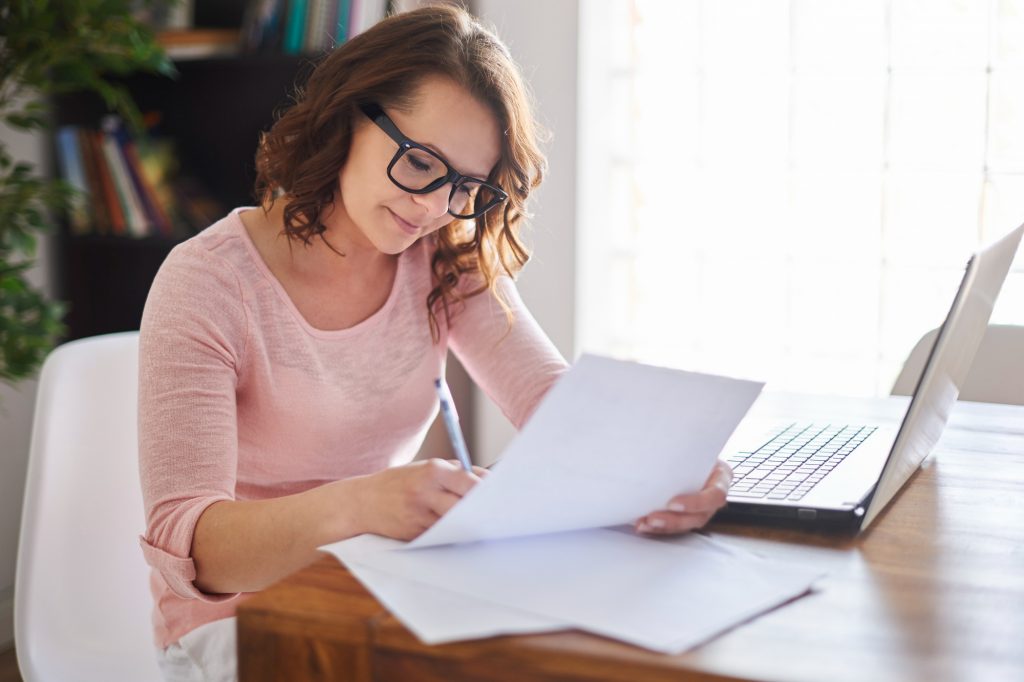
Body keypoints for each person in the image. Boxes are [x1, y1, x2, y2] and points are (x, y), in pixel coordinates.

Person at [138, 5, 733, 681]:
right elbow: (193, 549)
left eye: (465, 188)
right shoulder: (208, 281)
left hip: (388, 589)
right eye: (421, 163)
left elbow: (557, 407)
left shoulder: (443, 257)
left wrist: (676, 467)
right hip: (242, 625)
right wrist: (362, 505)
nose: (432, 207)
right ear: (348, 116)